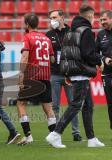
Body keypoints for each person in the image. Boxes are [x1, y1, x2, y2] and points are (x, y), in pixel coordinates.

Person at [46, 4, 107, 148]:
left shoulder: (72, 30)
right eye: (94, 17)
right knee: (76, 105)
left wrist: (67, 73)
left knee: (88, 105)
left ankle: (91, 138)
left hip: (75, 71)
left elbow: (66, 52)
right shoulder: (86, 31)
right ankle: (56, 134)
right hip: (82, 72)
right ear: (90, 16)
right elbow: (88, 53)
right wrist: (99, 60)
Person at [16, 13, 57, 145]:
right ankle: (54, 136)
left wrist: (21, 76)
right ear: (37, 24)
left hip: (32, 77)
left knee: (21, 104)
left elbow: (25, 57)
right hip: (45, 76)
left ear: (27, 24)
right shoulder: (46, 39)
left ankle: (28, 135)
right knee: (48, 108)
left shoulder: (27, 37)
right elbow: (52, 59)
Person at [46, 9, 82, 141]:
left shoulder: (72, 32)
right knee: (54, 105)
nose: (52, 20)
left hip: (70, 74)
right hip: (54, 74)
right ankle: (55, 133)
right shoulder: (48, 34)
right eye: (51, 18)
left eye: (54, 17)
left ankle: (76, 132)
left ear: (62, 17)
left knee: (73, 104)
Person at [96, 10, 112, 130]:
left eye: (104, 19)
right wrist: (103, 58)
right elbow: (94, 53)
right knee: (110, 104)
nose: (102, 22)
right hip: (107, 74)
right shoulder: (100, 34)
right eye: (101, 20)